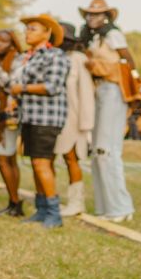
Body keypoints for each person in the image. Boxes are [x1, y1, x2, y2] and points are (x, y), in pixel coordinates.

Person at [79, 0, 137, 221]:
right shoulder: (93, 38)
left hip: (112, 89)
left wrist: (102, 68)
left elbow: (128, 62)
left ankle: (121, 207)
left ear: (106, 16)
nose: (92, 17)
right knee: (97, 152)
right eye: (90, 14)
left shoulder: (113, 35)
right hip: (98, 90)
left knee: (107, 150)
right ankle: (105, 206)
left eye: (97, 14)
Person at [12, 14, 70, 228]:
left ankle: (54, 213)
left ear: (47, 33)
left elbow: (52, 86)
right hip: (29, 116)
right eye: (26, 29)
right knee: (36, 164)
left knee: (41, 163)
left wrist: (22, 89)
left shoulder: (56, 55)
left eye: (33, 29)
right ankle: (42, 208)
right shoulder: (27, 57)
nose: (27, 32)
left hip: (47, 118)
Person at [54, 23, 94, 218]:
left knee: (71, 158)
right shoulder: (53, 57)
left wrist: (86, 124)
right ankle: (49, 198)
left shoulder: (78, 59)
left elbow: (86, 92)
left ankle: (76, 202)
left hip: (72, 117)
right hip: (52, 116)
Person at [0, 29, 26, 217]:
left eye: (3, 41)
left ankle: (15, 202)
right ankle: (14, 202)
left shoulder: (18, 60)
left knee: (1, 158)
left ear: (12, 44)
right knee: (8, 158)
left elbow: (11, 86)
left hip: (9, 116)